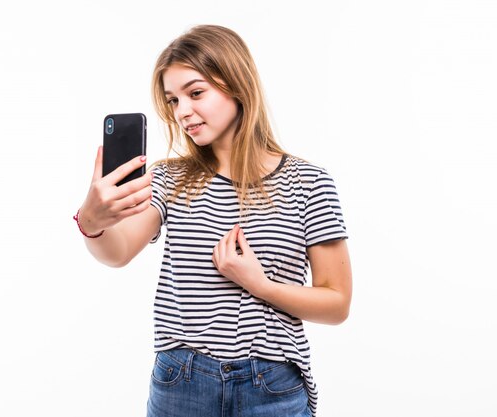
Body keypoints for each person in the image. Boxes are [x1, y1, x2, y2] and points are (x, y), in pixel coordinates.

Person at [74, 25, 352, 417]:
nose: (182, 111)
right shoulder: (170, 178)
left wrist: (259, 285)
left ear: (237, 84)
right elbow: (117, 252)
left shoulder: (309, 182)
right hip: (182, 382)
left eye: (196, 92)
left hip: (271, 385)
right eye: (172, 100)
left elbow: (337, 303)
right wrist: (92, 221)